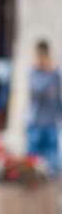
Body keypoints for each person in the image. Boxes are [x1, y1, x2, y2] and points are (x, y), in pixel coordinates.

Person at [27, 39, 61, 176]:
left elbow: (58, 96)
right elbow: (37, 91)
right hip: (35, 122)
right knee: (33, 162)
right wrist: (50, 74)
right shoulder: (33, 72)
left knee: (53, 164)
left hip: (51, 122)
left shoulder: (55, 73)